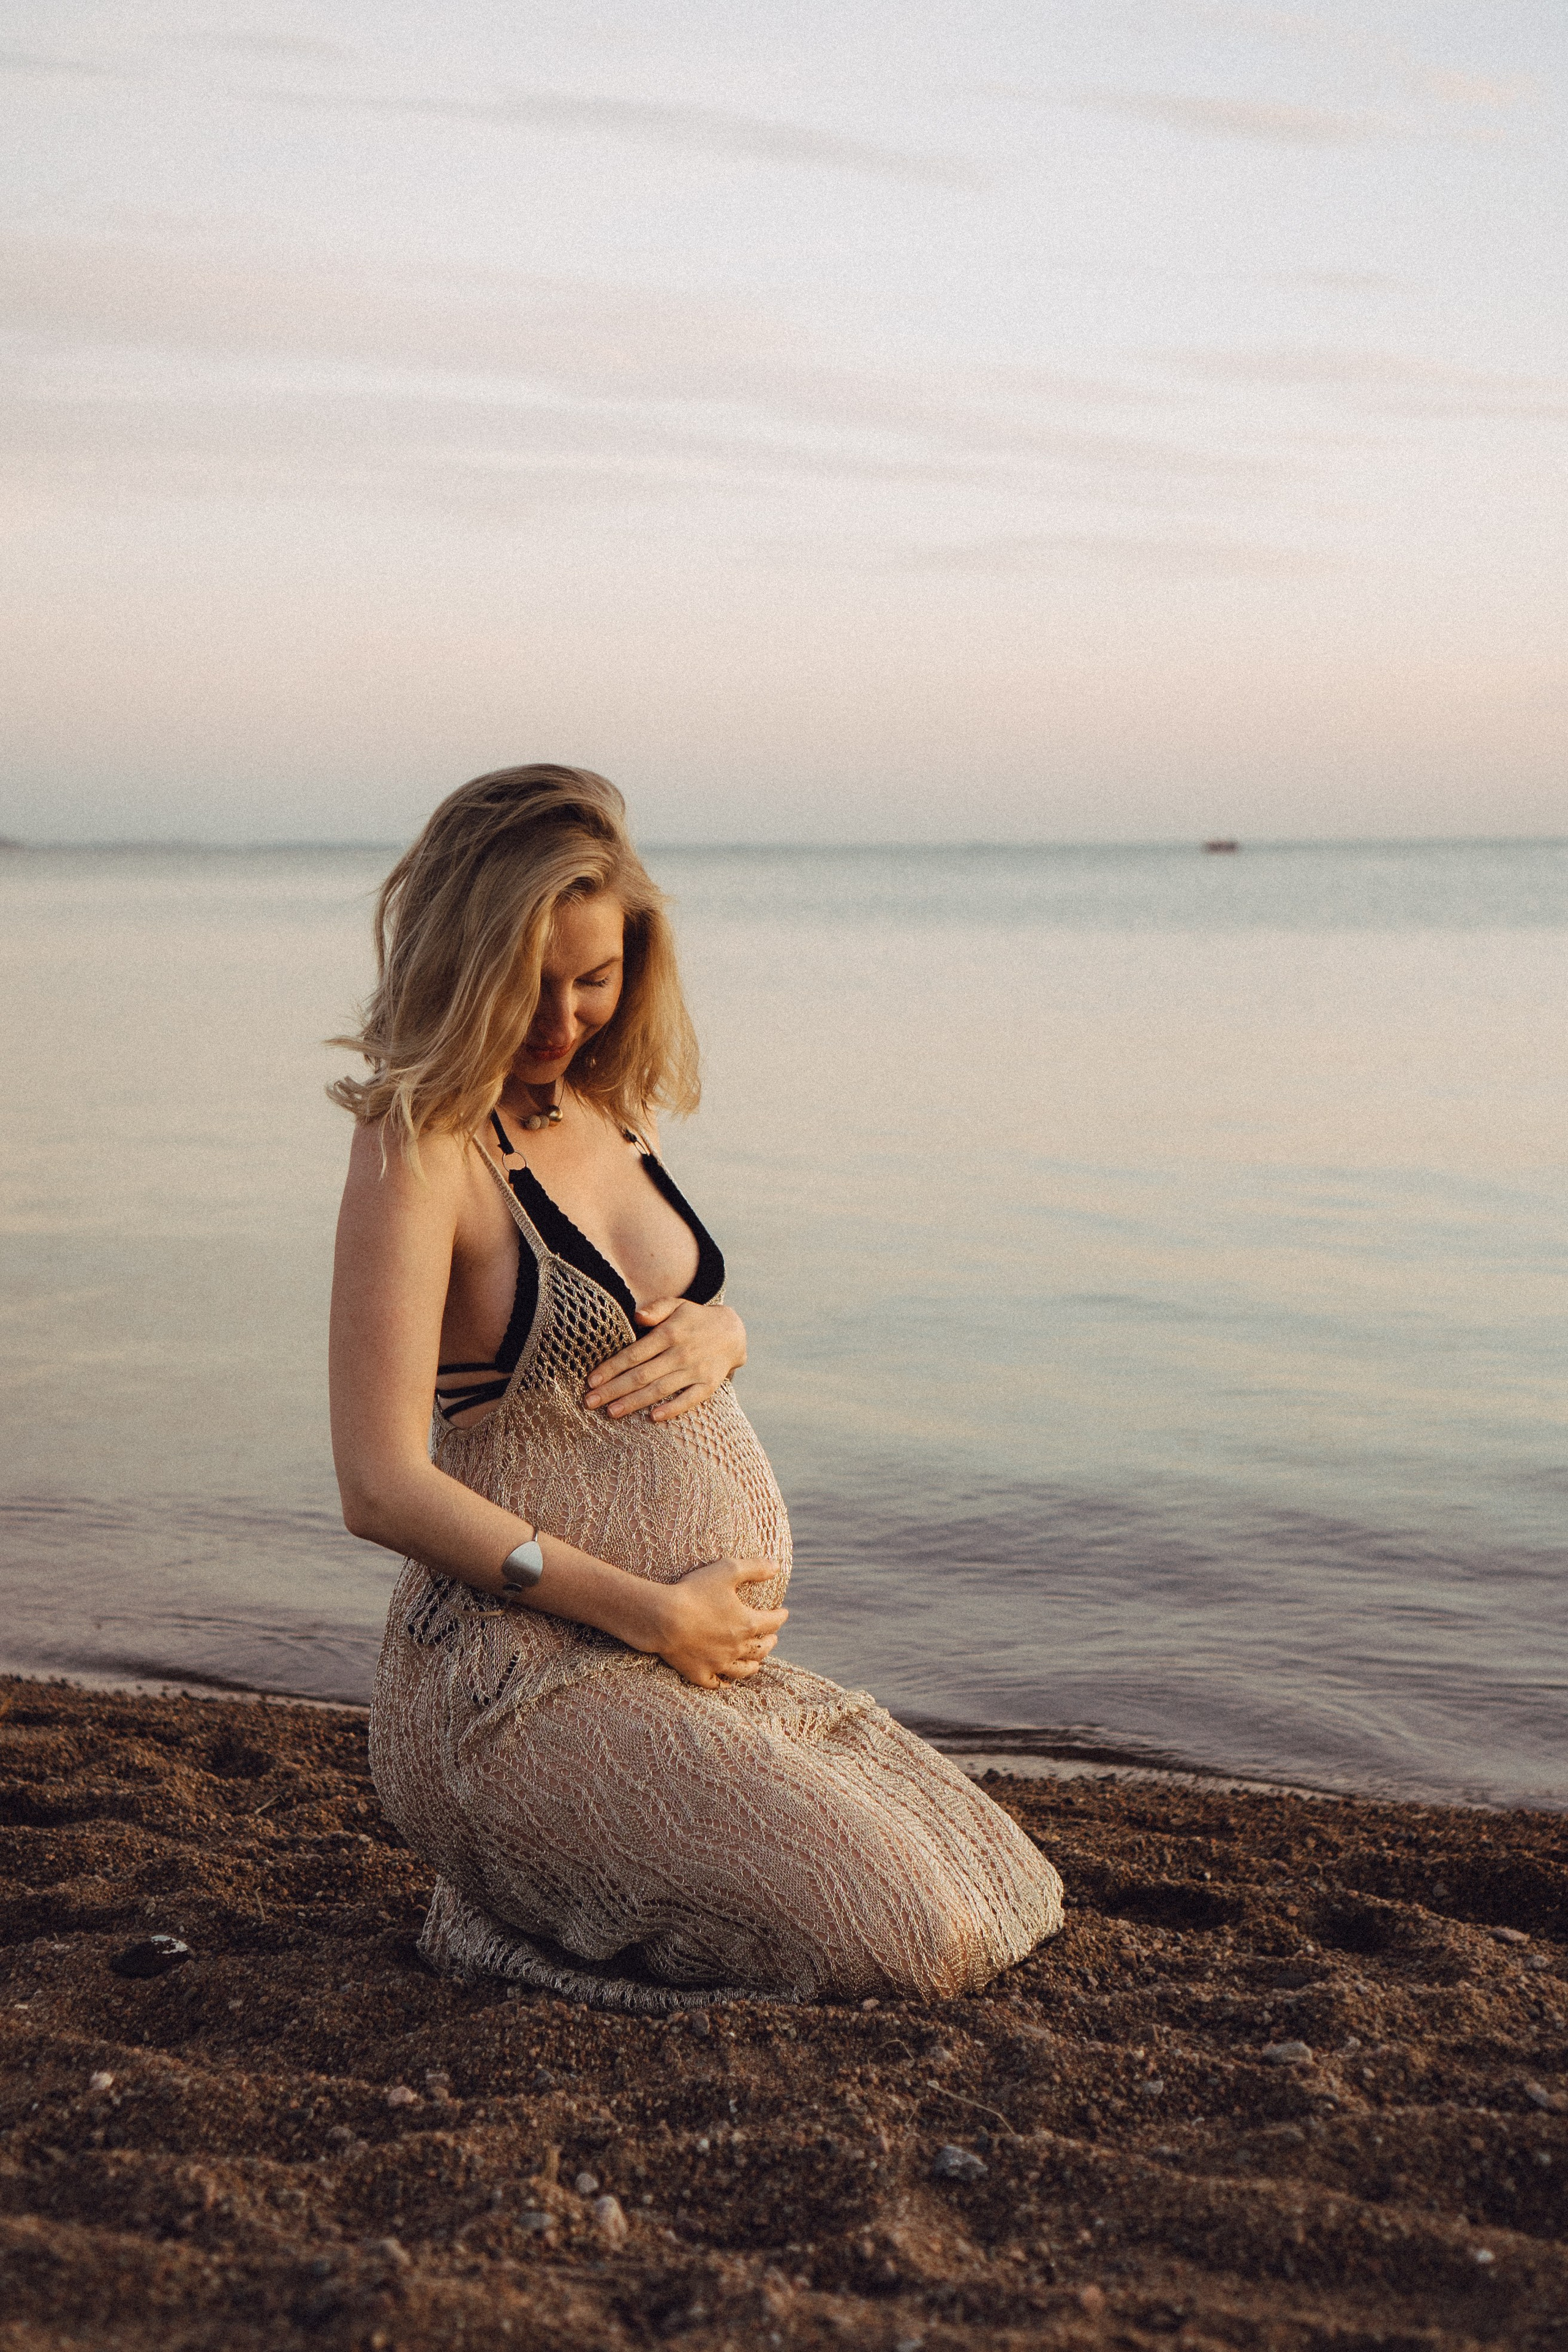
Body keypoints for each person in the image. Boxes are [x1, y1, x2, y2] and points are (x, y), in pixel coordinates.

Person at [328, 764, 1063, 2008]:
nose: (563, 1018)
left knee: (1006, 1893)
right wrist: (650, 1613)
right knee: (899, 1948)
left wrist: (726, 1333)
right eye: (529, 981)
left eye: (594, 977)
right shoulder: (423, 1145)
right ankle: (492, 1928)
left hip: (677, 1671)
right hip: (513, 1688)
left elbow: (646, 1314)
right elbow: (380, 1486)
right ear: (463, 959)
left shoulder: (611, 1110)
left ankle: (556, 1884)